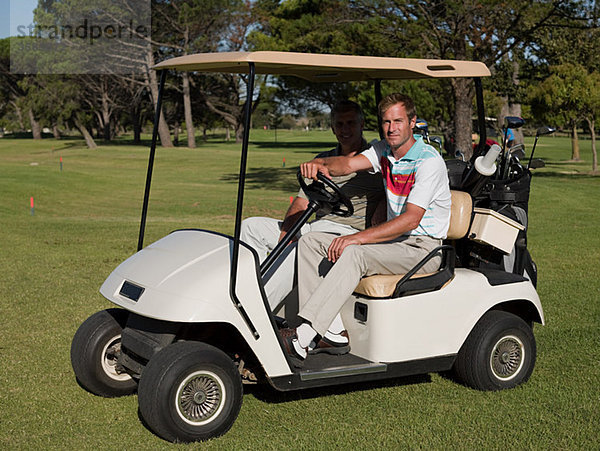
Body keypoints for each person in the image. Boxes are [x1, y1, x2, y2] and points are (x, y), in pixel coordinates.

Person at [280, 93, 451, 362]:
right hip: (396, 243)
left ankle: (303, 335)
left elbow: (411, 220)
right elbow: (347, 164)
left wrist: (357, 238)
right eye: (386, 122)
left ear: (412, 122)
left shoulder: (428, 161)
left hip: (423, 248)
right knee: (311, 242)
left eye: (398, 121)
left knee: (355, 252)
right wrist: (319, 165)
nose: (391, 128)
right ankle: (332, 332)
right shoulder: (384, 151)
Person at [240, 100, 384, 353]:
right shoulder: (323, 159)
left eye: (351, 122)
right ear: (332, 128)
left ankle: (252, 318)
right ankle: (243, 293)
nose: (345, 129)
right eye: (339, 124)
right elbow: (301, 201)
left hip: (350, 233)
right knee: (251, 227)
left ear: (362, 124)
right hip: (318, 226)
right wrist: (288, 230)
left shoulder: (374, 159)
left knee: (299, 248)